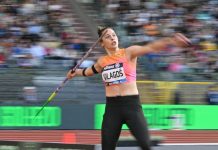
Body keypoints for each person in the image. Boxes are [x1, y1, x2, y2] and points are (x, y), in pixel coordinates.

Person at [66, 26, 191, 150]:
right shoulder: (102, 61)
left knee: (145, 145)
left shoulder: (129, 52)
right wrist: (75, 72)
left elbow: (151, 47)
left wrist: (171, 41)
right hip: (112, 109)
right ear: (102, 43)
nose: (112, 38)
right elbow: (89, 71)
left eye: (114, 35)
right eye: (108, 37)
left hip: (132, 106)